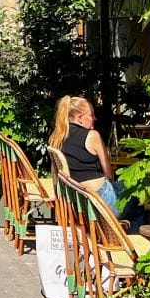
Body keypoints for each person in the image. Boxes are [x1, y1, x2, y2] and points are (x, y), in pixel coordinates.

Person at [48, 95, 143, 230]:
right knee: (139, 189)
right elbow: (108, 174)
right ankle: (132, 238)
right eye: (91, 115)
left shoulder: (56, 137)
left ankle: (119, 233)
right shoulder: (92, 136)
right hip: (102, 203)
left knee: (128, 191)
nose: (95, 118)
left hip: (77, 204)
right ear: (80, 118)